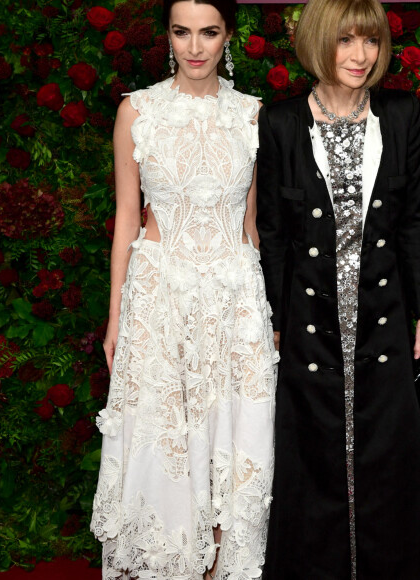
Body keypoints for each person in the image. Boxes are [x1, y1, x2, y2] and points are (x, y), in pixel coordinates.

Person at [256, 0, 420, 578]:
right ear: (321, 43)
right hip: (310, 318)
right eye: (346, 41)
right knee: (313, 453)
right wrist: (274, 318)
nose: (360, 55)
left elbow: (414, 219)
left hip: (385, 314)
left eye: (370, 42)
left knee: (392, 454)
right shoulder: (281, 121)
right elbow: (272, 231)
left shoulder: (399, 114)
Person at [90, 1, 277, 578]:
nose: (195, 46)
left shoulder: (252, 116)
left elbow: (251, 224)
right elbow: (127, 216)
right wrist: (117, 315)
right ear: (167, 36)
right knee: (162, 437)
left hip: (234, 298)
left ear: (228, 38)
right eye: (182, 32)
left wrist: (265, 311)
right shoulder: (137, 111)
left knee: (231, 436)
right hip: (159, 297)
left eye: (209, 32)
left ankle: (224, 568)